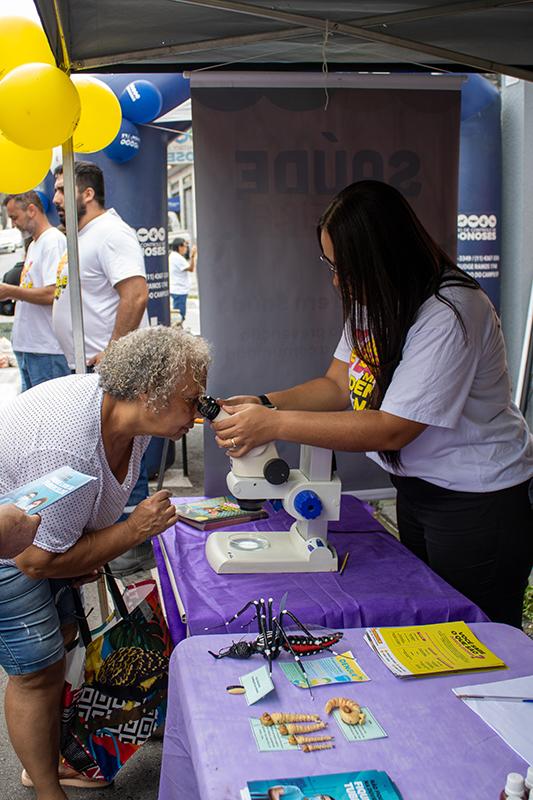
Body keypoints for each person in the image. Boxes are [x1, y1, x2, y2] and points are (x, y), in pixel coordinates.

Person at [212, 180, 533, 630]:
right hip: (419, 490)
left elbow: (392, 428)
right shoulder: (374, 300)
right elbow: (336, 384)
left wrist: (272, 424)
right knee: (433, 627)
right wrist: (265, 403)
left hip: (477, 504)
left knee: (478, 639)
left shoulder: (451, 311)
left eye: (345, 266)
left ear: (383, 257)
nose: (337, 279)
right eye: (329, 264)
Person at [0, 325, 210, 799]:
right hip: (12, 552)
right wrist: (133, 530)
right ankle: (47, 786)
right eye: (192, 400)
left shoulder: (127, 420)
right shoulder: (67, 447)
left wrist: (89, 547)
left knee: (67, 645)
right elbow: (34, 561)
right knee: (37, 672)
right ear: (147, 392)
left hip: (44, 538)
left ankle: (62, 751)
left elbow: (70, 528)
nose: (198, 415)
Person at [52, 161, 149, 369]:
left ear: (88, 194)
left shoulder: (111, 232)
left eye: (62, 190)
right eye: (55, 191)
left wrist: (112, 352)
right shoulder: (84, 234)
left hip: (108, 367)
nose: (55, 199)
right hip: (86, 364)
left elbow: (136, 296)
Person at [0, 192, 70, 389]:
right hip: (31, 348)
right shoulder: (36, 244)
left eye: (14, 217)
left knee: (49, 415)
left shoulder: (53, 241)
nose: (13, 224)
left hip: (46, 348)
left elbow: (53, 293)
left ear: (31, 210)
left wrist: (10, 291)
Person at [169, 237, 195, 322]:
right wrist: (192, 256)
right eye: (185, 246)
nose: (186, 248)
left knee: (179, 315)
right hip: (179, 290)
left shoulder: (174, 256)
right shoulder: (177, 258)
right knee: (179, 316)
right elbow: (191, 269)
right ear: (179, 247)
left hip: (178, 289)